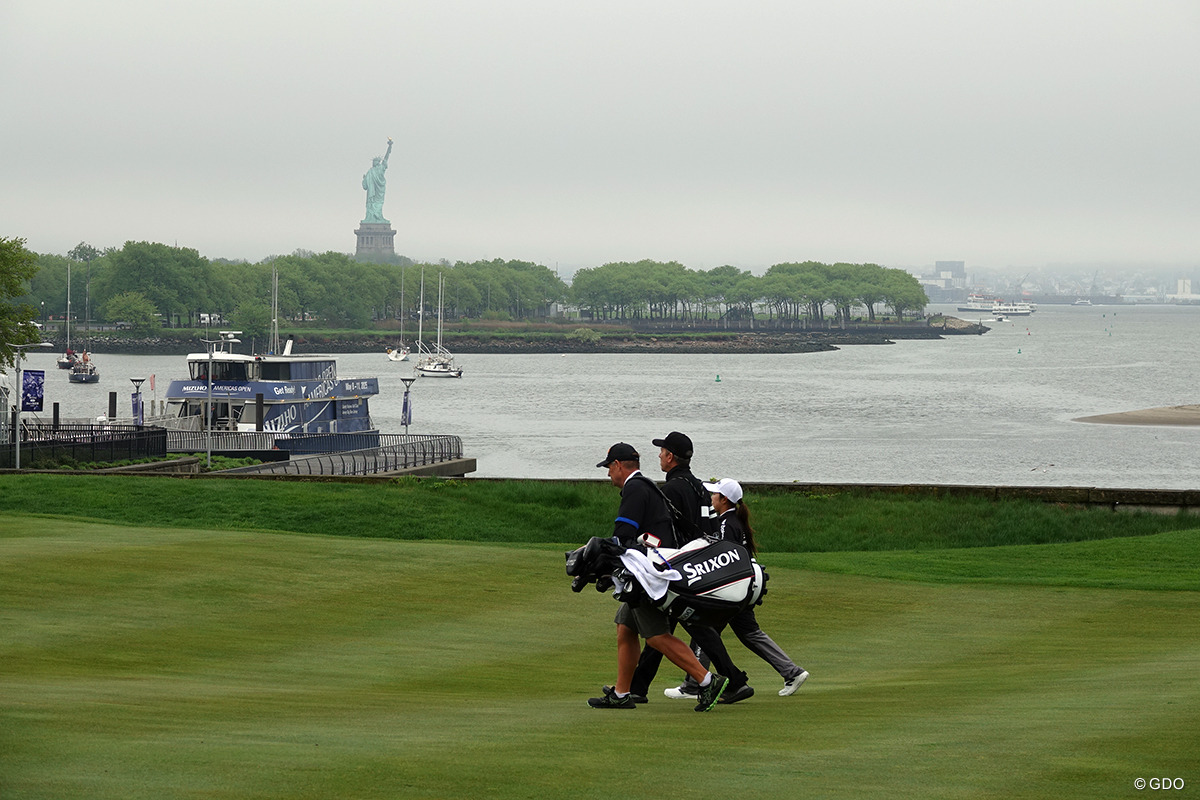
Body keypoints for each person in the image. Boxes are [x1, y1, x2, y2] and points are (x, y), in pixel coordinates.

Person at [586, 442, 729, 711]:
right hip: (649, 570)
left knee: (656, 636)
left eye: (608, 468)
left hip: (648, 576)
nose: (607, 475)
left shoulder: (635, 489)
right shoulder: (645, 485)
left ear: (618, 465)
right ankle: (622, 693)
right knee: (625, 628)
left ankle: (706, 680)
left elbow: (622, 536)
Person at [627, 432, 754, 705]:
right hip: (697, 566)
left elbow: (665, 530)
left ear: (670, 457)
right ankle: (733, 681)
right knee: (686, 630)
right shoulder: (697, 486)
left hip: (680, 570)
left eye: (662, 451)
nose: (659, 455)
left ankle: (728, 681)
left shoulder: (672, 489)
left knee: (661, 632)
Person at [697, 477, 810, 697]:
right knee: (749, 634)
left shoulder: (726, 524)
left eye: (714, 494)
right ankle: (791, 672)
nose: (711, 498)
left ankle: (693, 683)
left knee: (706, 631)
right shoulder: (734, 522)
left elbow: (725, 559)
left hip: (732, 590)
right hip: (741, 588)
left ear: (724, 499)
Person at [362, 138, 393, 223]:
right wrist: (364, 179)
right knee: (370, 205)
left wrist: (389, 147)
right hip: (372, 192)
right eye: (373, 161)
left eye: (375, 161)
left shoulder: (381, 168)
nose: (374, 163)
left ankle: (378, 217)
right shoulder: (370, 171)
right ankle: (370, 218)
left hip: (379, 190)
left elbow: (386, 158)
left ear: (378, 162)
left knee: (378, 204)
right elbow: (365, 186)